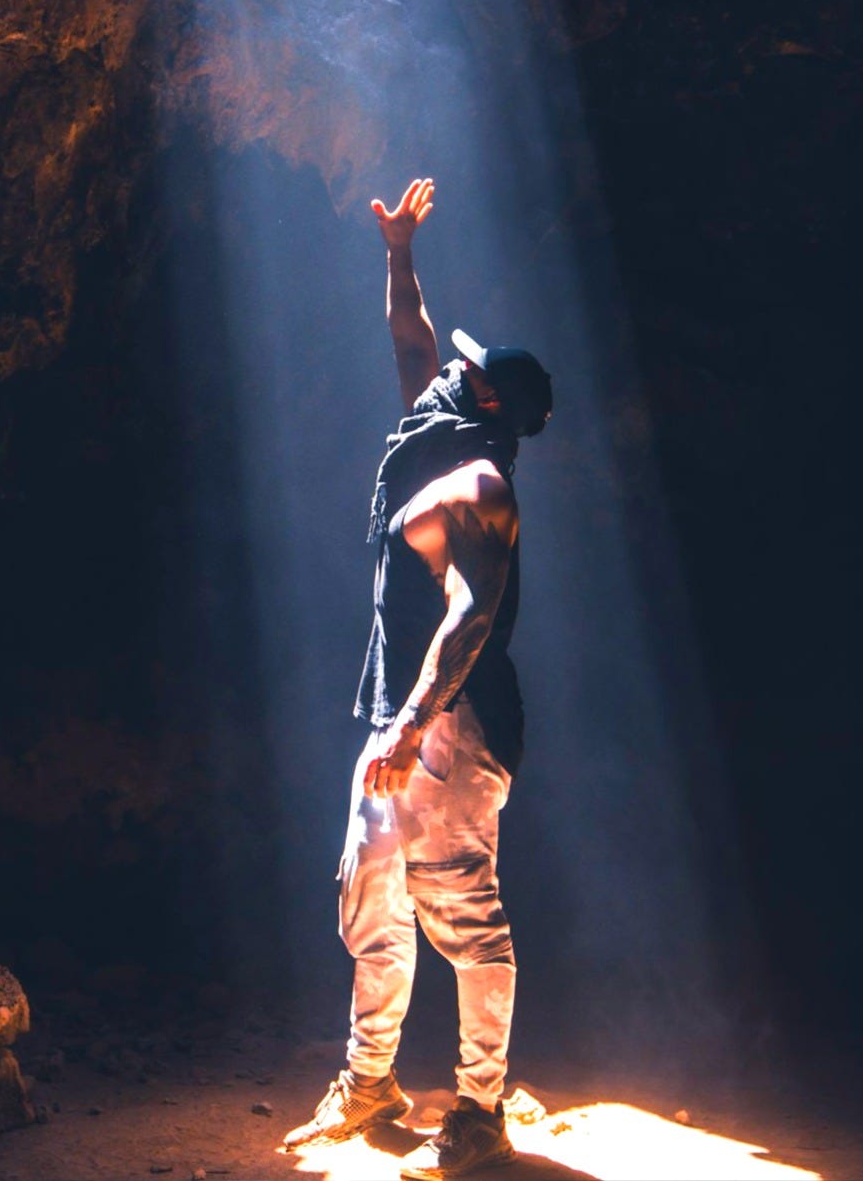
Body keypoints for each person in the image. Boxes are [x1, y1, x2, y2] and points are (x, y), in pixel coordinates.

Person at [283, 178, 552, 1179]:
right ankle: (368, 1080)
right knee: (368, 895)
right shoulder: (427, 440)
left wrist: (410, 726)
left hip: (455, 721)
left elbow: (470, 613)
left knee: (461, 909)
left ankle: (479, 1106)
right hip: (399, 709)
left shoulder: (478, 483)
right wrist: (398, 251)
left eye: (465, 369)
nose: (446, 368)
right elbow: (410, 341)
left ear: (484, 401)